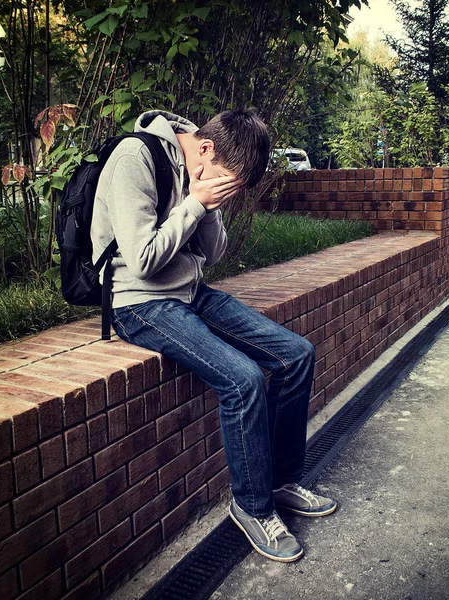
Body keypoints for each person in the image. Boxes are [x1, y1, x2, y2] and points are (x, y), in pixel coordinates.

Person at [91, 108, 337, 562]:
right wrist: (196, 202)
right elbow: (143, 261)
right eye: (225, 181)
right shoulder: (134, 159)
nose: (224, 191)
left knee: (296, 354)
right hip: (137, 302)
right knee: (243, 380)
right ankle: (251, 506)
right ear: (204, 149)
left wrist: (205, 205)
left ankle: (281, 480)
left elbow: (213, 253)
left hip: (189, 291)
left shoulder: (201, 168)